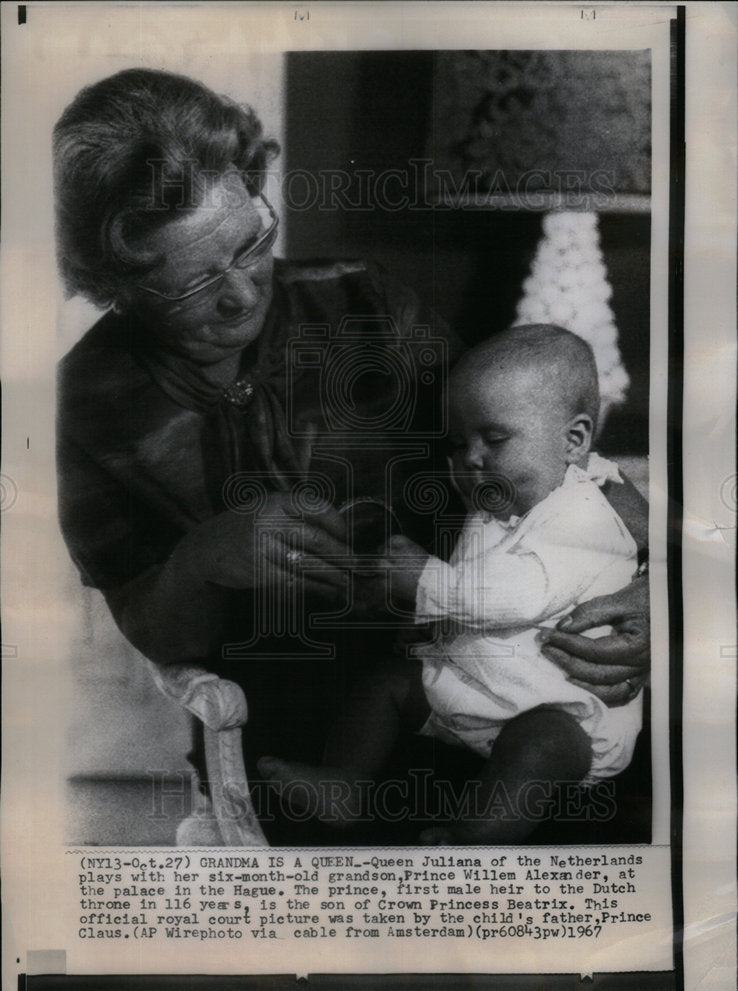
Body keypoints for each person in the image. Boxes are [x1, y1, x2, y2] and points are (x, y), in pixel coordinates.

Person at [54, 68, 650, 845]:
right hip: (304, 735)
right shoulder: (86, 404)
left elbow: (555, 471)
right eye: (195, 282)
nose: (243, 293)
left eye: (251, 243)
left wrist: (648, 591)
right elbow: (156, 633)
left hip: (509, 681)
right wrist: (201, 559)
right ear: (118, 286)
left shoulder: (363, 303)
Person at [259, 327, 643, 843]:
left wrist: (425, 578)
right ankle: (345, 781)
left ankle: (476, 838)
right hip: (485, 689)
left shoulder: (584, 515)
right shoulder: (498, 504)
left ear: (572, 441)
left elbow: (520, 596)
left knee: (538, 747)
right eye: (459, 444)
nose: (472, 458)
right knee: (391, 682)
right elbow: (470, 585)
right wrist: (434, 625)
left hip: (566, 710)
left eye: (496, 438)